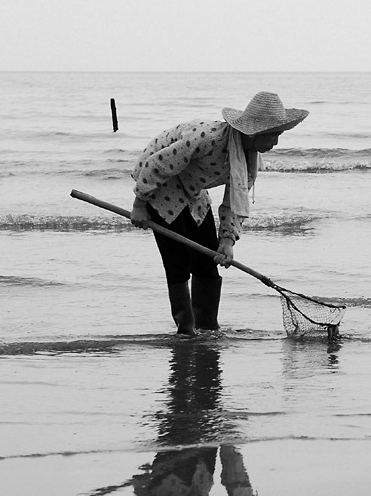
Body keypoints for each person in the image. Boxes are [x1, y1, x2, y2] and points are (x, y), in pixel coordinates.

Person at [130, 92, 308, 335]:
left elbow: (235, 201)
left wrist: (227, 240)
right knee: (178, 260)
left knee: (208, 259)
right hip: (161, 185)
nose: (276, 143)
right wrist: (140, 204)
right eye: (273, 136)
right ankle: (186, 330)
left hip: (193, 190)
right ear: (253, 133)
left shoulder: (248, 159)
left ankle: (207, 328)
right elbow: (155, 164)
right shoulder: (206, 139)